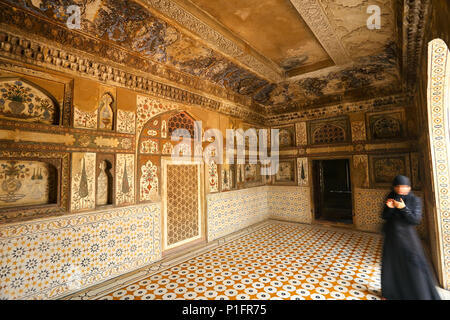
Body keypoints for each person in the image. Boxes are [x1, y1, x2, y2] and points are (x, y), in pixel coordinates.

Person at [381, 175, 441, 300]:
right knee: (391, 266)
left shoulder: (414, 200)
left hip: (408, 239)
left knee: (413, 266)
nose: (401, 189)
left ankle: (419, 294)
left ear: (409, 187)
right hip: (392, 237)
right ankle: (390, 293)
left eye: (404, 187)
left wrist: (403, 208)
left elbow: (415, 220)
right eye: (398, 186)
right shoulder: (390, 196)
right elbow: (384, 216)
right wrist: (389, 208)